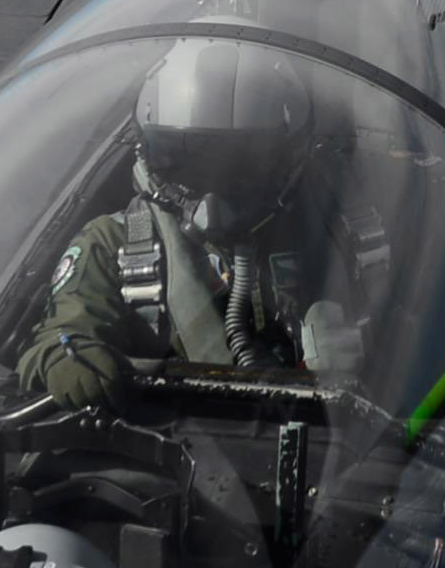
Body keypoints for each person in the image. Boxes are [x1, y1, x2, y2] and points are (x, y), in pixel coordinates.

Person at [19, 39, 364, 405]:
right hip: (172, 447)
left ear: (291, 157)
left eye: (241, 163)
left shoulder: (333, 234)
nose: (212, 194)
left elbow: (410, 329)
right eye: (184, 161)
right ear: (148, 154)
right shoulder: (114, 243)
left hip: (330, 445)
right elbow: (61, 333)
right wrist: (64, 357)